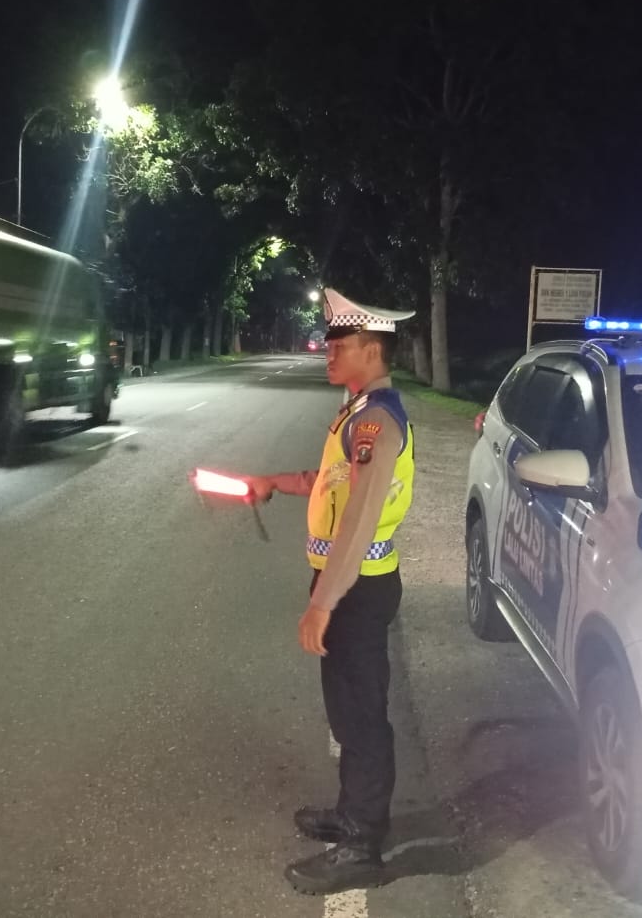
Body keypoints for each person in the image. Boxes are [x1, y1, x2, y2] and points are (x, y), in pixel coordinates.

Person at [245, 288, 416, 895]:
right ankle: (352, 814)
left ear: (370, 350)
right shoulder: (358, 411)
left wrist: (323, 603)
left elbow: (361, 518)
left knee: (362, 715)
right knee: (346, 709)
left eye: (338, 344)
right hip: (347, 583)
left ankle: (363, 845)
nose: (328, 352)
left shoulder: (376, 421)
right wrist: (273, 481)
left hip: (358, 589)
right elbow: (333, 481)